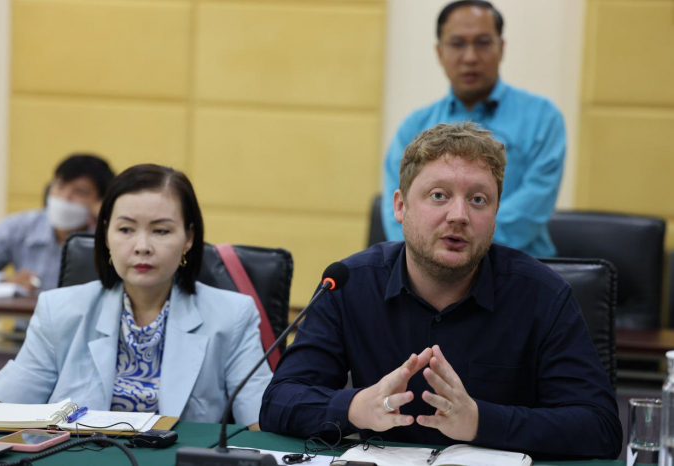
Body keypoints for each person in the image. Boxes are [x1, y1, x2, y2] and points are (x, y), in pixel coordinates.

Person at [260, 123, 621, 459]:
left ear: (495, 214)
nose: (459, 215)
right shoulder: (349, 284)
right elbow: (279, 401)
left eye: (478, 200)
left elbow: (600, 427)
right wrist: (356, 408)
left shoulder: (543, 296)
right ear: (400, 206)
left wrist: (480, 421)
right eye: (438, 195)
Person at [0, 164, 272, 427]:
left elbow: (259, 421)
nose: (142, 246)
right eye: (125, 229)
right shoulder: (58, 309)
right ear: (106, 235)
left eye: (161, 231)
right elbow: (4, 411)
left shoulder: (232, 315)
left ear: (188, 238)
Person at [382, 0, 566, 257]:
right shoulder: (413, 127)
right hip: (430, 269)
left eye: (483, 43)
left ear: (501, 48)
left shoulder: (542, 118)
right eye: (457, 44)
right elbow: (398, 214)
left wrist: (459, 247)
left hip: (522, 268)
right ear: (439, 52)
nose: (470, 57)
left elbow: (531, 209)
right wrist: (437, 259)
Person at [0, 153, 115, 291]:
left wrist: (105, 226)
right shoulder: (20, 226)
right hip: (31, 308)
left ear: (101, 201)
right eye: (60, 186)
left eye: (79, 192)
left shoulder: (111, 235)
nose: (64, 197)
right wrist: (5, 280)